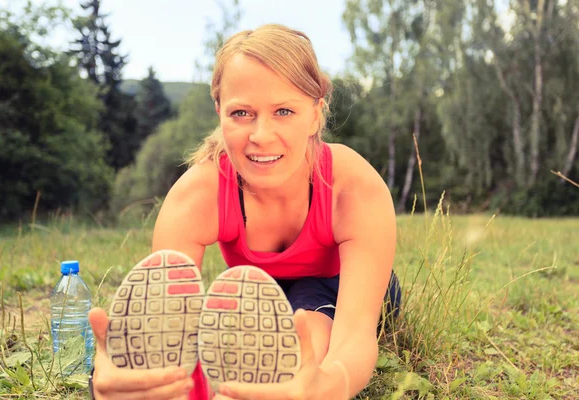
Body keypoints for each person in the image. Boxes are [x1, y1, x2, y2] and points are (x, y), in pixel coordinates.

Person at [88, 23, 400, 400]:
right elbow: (165, 322)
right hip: (255, 294)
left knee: (310, 333)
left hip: (341, 285)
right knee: (225, 339)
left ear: (316, 114)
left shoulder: (353, 188)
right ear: (219, 111)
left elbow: (355, 337)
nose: (261, 135)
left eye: (284, 110)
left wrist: (328, 386)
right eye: (241, 113)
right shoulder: (196, 197)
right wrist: (122, 378)